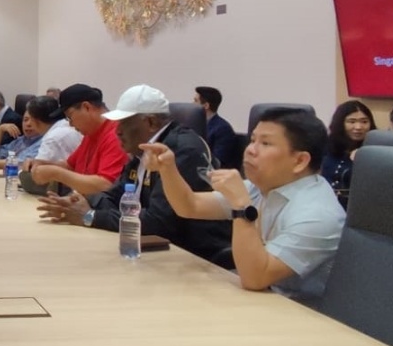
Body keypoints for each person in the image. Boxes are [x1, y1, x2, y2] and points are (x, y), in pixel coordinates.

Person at [140, 107, 345, 304]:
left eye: (265, 143)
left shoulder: (318, 214)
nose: (250, 150)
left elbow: (255, 278)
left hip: (302, 314)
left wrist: (241, 206)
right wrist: (168, 169)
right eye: (252, 140)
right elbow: (189, 205)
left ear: (299, 161)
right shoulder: (264, 186)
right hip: (263, 300)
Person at [37, 85, 231, 266]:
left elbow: (159, 222)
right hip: (153, 251)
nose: (117, 131)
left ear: (151, 122)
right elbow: (117, 194)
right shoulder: (142, 150)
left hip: (196, 258)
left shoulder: (181, 150)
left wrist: (90, 216)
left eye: (124, 123)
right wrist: (78, 202)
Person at [30, 84, 129, 196]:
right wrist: (41, 164)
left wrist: (57, 174)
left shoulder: (115, 136)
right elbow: (70, 166)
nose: (70, 124)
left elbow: (106, 186)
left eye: (70, 116)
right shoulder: (90, 134)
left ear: (86, 107)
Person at [0, 96, 59, 170]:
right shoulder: (21, 140)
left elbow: (22, 162)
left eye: (33, 120)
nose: (28, 124)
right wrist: (0, 130)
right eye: (25, 120)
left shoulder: (45, 141)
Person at [320, 99, 376, 205]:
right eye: (352, 122)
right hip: (325, 203)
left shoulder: (375, 150)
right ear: (340, 123)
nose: (358, 127)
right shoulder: (326, 145)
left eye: (364, 122)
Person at [193, 86, 239, 168]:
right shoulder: (192, 125)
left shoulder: (223, 129)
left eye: (195, 101)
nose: (192, 104)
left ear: (206, 105)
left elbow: (217, 162)